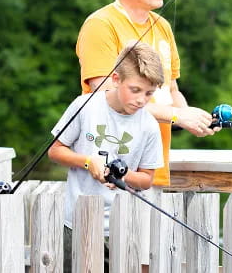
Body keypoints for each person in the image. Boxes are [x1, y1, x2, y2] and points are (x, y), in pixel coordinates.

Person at [75, 0, 220, 268]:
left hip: (152, 168)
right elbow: (105, 90)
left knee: (147, 262)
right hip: (113, 170)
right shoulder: (101, 25)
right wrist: (176, 115)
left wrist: (193, 117)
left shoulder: (163, 26)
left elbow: (171, 90)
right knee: (110, 261)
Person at [48, 41, 165, 272]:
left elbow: (147, 179)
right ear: (115, 79)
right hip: (76, 222)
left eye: (149, 93)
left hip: (123, 227)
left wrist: (122, 175)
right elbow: (55, 150)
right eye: (135, 90)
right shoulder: (85, 106)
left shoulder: (149, 126)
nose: (142, 100)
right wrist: (87, 161)